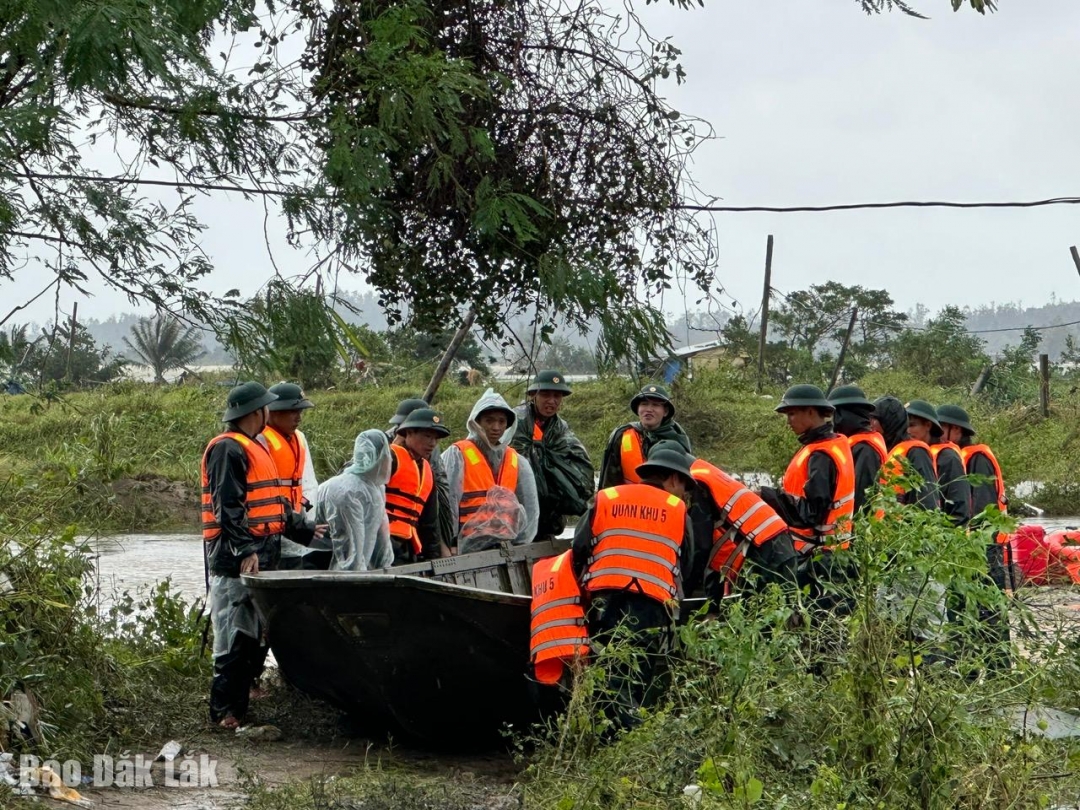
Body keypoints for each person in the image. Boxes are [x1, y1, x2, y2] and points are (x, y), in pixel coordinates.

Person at [201, 382, 325, 729]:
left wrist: (302, 529)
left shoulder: (256, 447)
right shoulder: (227, 448)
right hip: (236, 559)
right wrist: (245, 550)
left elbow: (272, 504)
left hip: (264, 553)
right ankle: (225, 712)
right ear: (257, 412)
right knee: (233, 635)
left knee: (253, 635)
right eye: (267, 408)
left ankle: (239, 708)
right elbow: (228, 507)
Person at [572, 445, 695, 729]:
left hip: (604, 597)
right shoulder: (677, 510)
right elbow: (687, 564)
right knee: (635, 671)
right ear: (674, 478)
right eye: (684, 487)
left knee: (605, 664)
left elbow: (579, 547)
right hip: (650, 602)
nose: (684, 494)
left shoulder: (608, 497)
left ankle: (606, 730)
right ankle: (630, 732)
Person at [937, 403, 1011, 670]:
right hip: (969, 551)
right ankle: (966, 671)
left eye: (941, 429)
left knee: (988, 614)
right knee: (962, 613)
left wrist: (972, 550)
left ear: (956, 431)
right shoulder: (955, 457)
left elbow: (982, 511)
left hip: (985, 551)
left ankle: (997, 672)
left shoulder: (975, 459)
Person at [685, 450, 798, 602]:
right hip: (779, 546)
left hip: (768, 553)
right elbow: (716, 555)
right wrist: (713, 601)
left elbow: (701, 548)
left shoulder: (699, 486)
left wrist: (685, 592)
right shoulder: (715, 482)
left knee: (761, 610)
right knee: (779, 609)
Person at [443, 388, 539, 552]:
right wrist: (450, 543)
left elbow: (531, 509)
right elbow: (448, 502)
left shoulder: (518, 461)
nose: (496, 427)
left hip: (506, 546)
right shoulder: (457, 455)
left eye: (502, 421)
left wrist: (521, 545)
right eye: (489, 421)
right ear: (477, 422)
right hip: (465, 546)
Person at [510, 370, 595, 542]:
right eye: (545, 395)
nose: (551, 401)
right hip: (516, 506)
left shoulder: (560, 427)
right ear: (533, 395)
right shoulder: (515, 421)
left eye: (557, 396)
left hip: (549, 514)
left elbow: (579, 462)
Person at [258, 382, 321, 567]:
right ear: (274, 412)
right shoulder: (260, 440)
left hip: (296, 529)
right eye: (293, 412)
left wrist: (307, 522)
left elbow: (308, 483)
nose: (298, 418)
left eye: (300, 412)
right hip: (271, 531)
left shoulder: (299, 438)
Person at [314, 429, 394, 571]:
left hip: (348, 568)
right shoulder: (347, 491)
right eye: (387, 455)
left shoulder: (376, 488)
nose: (391, 460)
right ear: (375, 458)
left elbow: (381, 537)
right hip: (317, 561)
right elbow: (349, 548)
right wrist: (358, 579)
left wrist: (385, 569)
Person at [387, 397, 455, 552]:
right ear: (408, 433)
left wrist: (434, 555)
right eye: (427, 436)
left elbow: (430, 523)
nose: (432, 443)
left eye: (435, 438)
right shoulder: (388, 458)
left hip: (408, 547)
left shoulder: (427, 470)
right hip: (381, 543)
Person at [598, 383, 691, 490]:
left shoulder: (677, 439)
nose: (649, 409)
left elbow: (685, 484)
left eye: (655, 405)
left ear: (665, 411)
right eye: (644, 404)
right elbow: (609, 481)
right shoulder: (622, 434)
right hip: (629, 499)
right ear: (638, 409)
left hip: (665, 499)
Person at [906, 400, 970, 526]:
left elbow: (959, 508)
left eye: (912, 425)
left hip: (942, 534)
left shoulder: (948, 458)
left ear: (928, 425)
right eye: (905, 426)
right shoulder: (916, 454)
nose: (907, 430)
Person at [829, 385, 887, 516]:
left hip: (863, 525)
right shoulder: (861, 443)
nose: (834, 422)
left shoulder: (864, 448)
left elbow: (862, 498)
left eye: (835, 415)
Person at [871, 396, 938, 511]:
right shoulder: (889, 451)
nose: (871, 424)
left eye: (874, 419)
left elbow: (926, 503)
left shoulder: (916, 452)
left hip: (905, 523)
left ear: (887, 421)